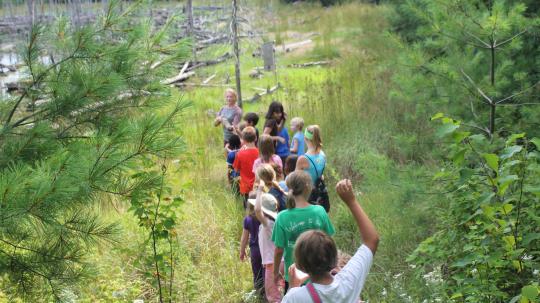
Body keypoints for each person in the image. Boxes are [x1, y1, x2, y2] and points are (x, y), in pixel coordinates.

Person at [283, 179, 379, 303]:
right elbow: (372, 240)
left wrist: (293, 286)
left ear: (300, 266)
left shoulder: (296, 297)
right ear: (335, 259)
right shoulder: (347, 282)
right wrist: (351, 201)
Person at [272, 171, 335, 294]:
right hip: (320, 275)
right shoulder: (320, 211)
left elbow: (279, 250)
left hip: (294, 276)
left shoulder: (282, 217)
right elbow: (330, 242)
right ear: (309, 187)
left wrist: (275, 272)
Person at [250, 172, 283, 303]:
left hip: (272, 264)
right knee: (280, 292)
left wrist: (259, 190)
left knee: (273, 296)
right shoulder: (276, 222)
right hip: (280, 262)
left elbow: (257, 210)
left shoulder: (267, 224)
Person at [295, 125, 329, 212]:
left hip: (308, 195)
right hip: (320, 191)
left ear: (305, 138)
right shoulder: (322, 154)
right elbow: (321, 175)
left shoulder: (303, 159)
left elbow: (295, 180)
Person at [240, 203, 264, 296]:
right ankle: (266, 291)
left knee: (256, 272)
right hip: (266, 249)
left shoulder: (248, 219)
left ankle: (259, 292)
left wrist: (242, 251)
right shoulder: (265, 218)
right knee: (265, 271)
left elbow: (244, 237)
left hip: (254, 250)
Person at [233, 127, 259, 208]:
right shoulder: (260, 153)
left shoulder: (240, 154)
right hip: (258, 186)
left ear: (243, 140)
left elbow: (236, 169)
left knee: (247, 210)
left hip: (245, 187)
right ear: (256, 138)